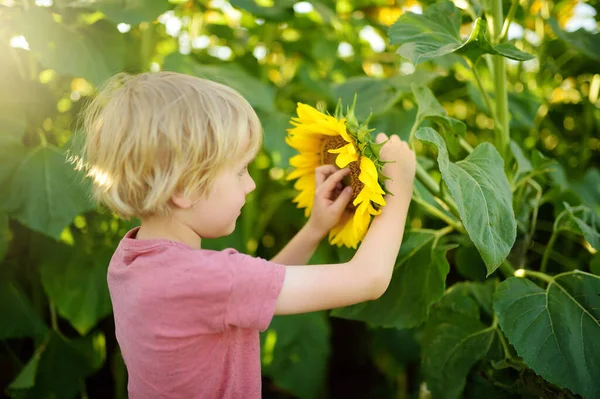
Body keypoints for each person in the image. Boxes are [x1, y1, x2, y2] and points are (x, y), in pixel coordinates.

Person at [81, 71, 416, 399]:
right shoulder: (208, 280)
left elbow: (251, 294)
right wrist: (398, 185)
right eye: (240, 171)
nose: (250, 184)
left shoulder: (132, 260)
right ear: (186, 187)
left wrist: (315, 229)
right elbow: (369, 279)